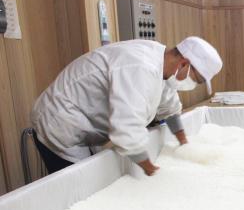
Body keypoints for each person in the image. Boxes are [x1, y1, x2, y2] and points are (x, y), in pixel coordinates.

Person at [31, 36, 223, 176]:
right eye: (196, 80)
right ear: (184, 64)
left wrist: (184, 143)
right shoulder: (141, 67)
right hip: (60, 122)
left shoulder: (162, 66)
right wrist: (151, 171)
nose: (193, 84)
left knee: (91, 178)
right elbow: (126, 129)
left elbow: (169, 107)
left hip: (83, 124)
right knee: (78, 188)